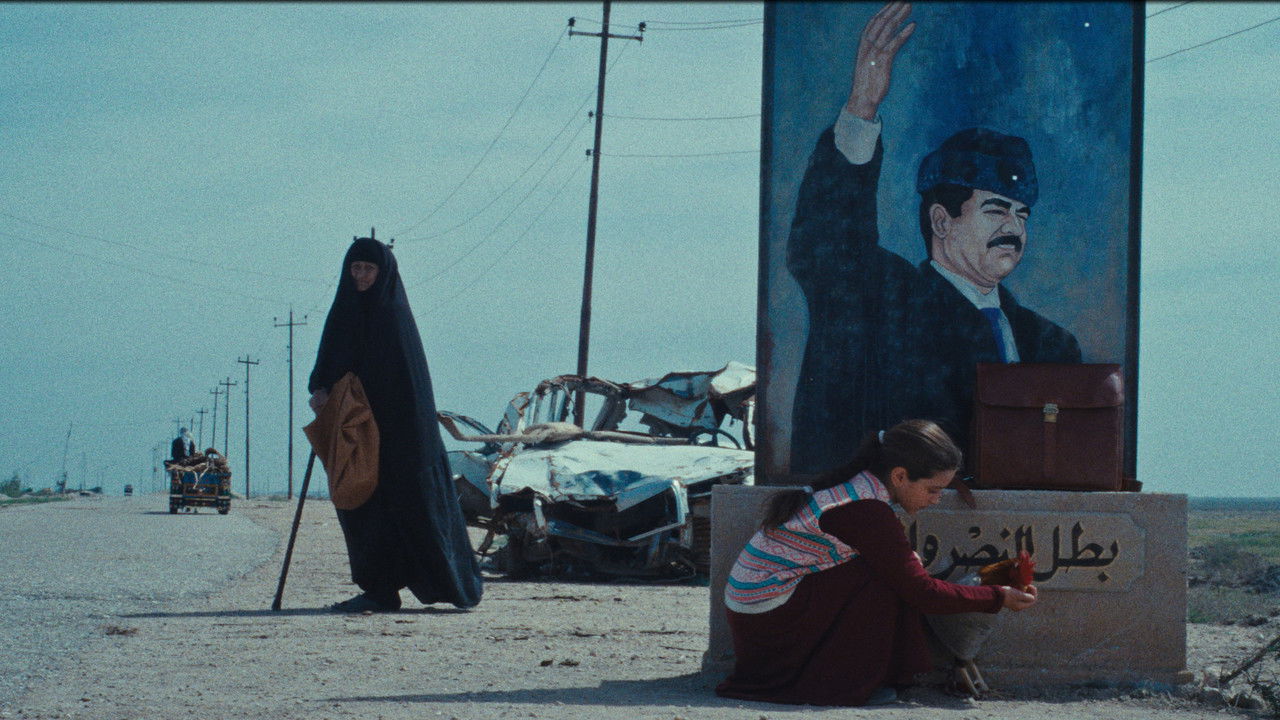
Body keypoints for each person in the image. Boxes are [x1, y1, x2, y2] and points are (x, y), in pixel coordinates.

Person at [786, 1, 1080, 475]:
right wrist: (862, 108)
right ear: (942, 222)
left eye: (1022, 214)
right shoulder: (883, 300)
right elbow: (827, 240)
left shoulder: (1050, 344)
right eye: (996, 210)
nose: (1014, 228)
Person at [717, 419, 1037, 706]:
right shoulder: (865, 509)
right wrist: (998, 597)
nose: (936, 499)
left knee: (898, 568)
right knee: (888, 578)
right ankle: (838, 686)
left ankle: (869, 677)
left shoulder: (863, 491)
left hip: (766, 611)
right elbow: (923, 593)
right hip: (767, 621)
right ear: (899, 476)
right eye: (932, 490)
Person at [308, 234, 482, 612]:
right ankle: (379, 589)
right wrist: (321, 389)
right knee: (358, 506)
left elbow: (401, 385)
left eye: (368, 268)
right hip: (355, 432)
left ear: (383, 272)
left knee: (408, 509)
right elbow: (327, 362)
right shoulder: (344, 311)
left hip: (399, 436)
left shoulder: (393, 317)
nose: (361, 275)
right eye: (355, 268)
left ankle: (447, 585)